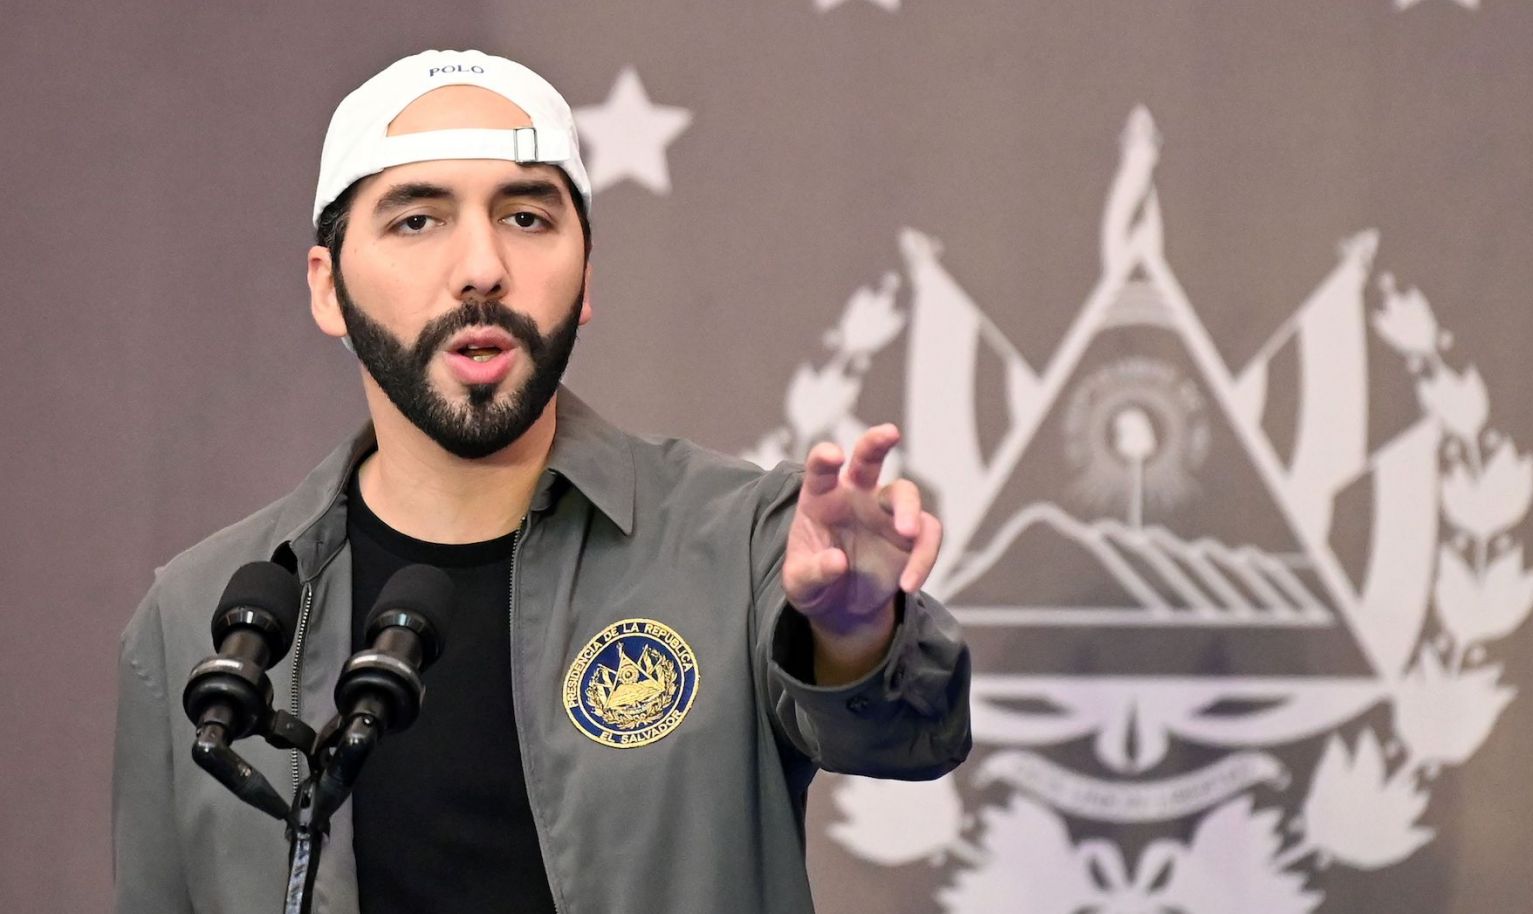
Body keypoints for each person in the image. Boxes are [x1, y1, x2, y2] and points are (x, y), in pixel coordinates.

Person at [111, 49, 971, 914]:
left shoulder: (743, 540)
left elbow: (909, 735)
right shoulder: (196, 617)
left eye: (526, 218)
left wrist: (855, 632)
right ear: (328, 288)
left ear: (587, 276)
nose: (482, 267)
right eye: (418, 221)